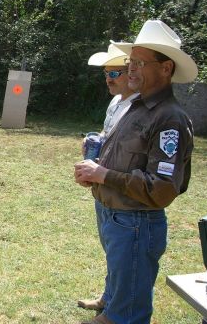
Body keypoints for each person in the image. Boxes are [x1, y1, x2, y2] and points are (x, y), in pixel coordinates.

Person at [74, 20, 197, 324]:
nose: (131, 68)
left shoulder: (170, 119)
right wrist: (95, 170)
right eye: (131, 61)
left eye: (140, 62)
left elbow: (162, 188)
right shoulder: (135, 106)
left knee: (124, 317)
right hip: (121, 219)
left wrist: (104, 176)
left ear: (166, 68)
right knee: (120, 305)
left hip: (136, 224)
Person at [77, 44, 138, 312]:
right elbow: (108, 136)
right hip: (104, 189)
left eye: (114, 73)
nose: (108, 80)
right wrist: (94, 144)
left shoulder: (140, 105)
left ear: (131, 73)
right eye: (106, 74)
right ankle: (108, 298)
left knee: (124, 256)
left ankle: (114, 305)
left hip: (123, 195)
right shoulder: (116, 102)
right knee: (112, 250)